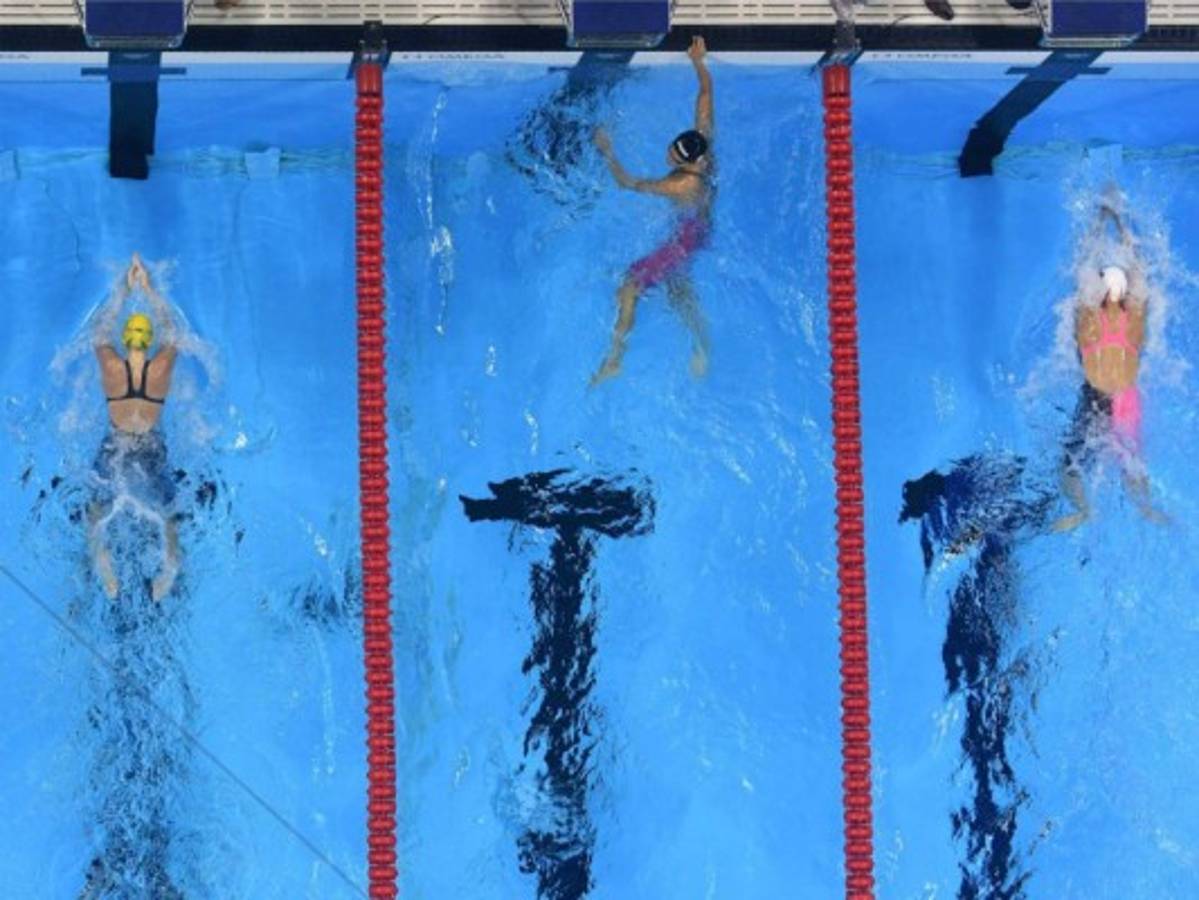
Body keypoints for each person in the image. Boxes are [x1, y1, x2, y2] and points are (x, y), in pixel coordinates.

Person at [591, 35, 714, 385]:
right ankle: (702, 345)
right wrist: (699, 64)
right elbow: (705, 98)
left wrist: (607, 150)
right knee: (677, 288)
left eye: (674, 157)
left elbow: (628, 183)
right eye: (672, 150)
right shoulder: (704, 144)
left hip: (686, 238)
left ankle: (615, 359)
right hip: (698, 230)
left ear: (690, 164)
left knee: (629, 287)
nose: (668, 156)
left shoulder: (680, 185)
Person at [1053, 206, 1165, 531]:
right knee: (1132, 465)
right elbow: (1140, 267)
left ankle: (1082, 510)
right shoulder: (1136, 320)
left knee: (1070, 467)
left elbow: (1083, 262)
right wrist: (1119, 221)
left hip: (1095, 397)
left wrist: (1102, 220)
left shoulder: (1086, 317)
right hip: (1126, 399)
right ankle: (1146, 508)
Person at [89, 253, 181, 600]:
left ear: (126, 339)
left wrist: (124, 292)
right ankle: (167, 573)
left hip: (116, 444)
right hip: (151, 446)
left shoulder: (112, 368)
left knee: (96, 509)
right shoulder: (160, 370)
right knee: (169, 512)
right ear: (148, 340)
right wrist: (151, 290)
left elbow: (99, 334)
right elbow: (173, 334)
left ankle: (106, 571)